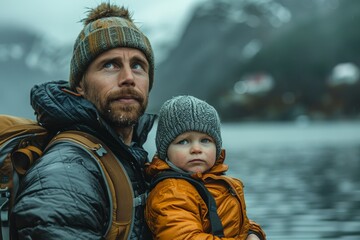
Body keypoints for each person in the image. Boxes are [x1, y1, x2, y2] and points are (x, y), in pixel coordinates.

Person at [10, 3, 155, 239]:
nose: (128, 77)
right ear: (80, 85)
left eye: (138, 65)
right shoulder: (66, 175)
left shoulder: (126, 155)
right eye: (110, 64)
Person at [145, 95, 266, 240]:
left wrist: (253, 233)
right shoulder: (171, 192)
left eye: (205, 140)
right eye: (183, 142)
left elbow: (235, 222)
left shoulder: (217, 183)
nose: (196, 149)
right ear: (166, 152)